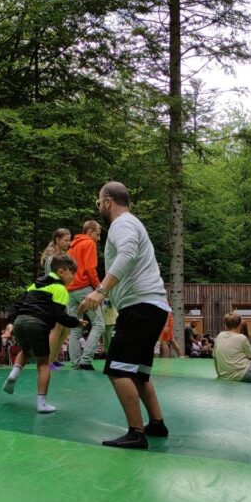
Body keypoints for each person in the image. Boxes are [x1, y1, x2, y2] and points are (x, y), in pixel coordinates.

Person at [78, 181, 170, 449]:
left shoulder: (123, 224)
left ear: (107, 201)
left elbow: (128, 253)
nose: (100, 208)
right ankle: (156, 424)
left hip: (140, 307)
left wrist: (101, 291)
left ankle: (136, 433)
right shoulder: (132, 223)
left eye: (99, 203)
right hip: (153, 306)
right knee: (139, 374)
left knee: (117, 369)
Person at [2, 254, 81, 413]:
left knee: (25, 350)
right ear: (61, 271)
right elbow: (59, 316)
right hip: (37, 324)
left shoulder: (34, 285)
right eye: (72, 272)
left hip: (20, 323)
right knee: (43, 363)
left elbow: (16, 305)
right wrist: (76, 322)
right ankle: (42, 403)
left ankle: (14, 374)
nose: (74, 277)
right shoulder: (60, 289)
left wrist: (10, 323)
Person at [66, 220, 105, 370]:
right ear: (89, 232)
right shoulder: (89, 244)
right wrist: (99, 288)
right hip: (84, 289)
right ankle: (86, 360)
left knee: (75, 327)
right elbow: (90, 269)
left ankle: (75, 363)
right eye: (97, 234)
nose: (99, 238)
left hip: (70, 291)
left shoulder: (70, 248)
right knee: (99, 324)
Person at [40, 227, 72, 366]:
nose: (68, 243)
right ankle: (48, 361)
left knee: (65, 329)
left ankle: (53, 358)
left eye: (69, 240)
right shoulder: (53, 258)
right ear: (57, 240)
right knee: (57, 327)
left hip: (59, 293)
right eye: (65, 240)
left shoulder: (60, 256)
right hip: (53, 295)